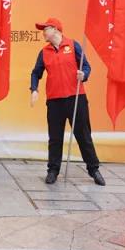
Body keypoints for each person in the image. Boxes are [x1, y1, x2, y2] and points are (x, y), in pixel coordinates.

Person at [30, 17, 105, 186]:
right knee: (55, 138)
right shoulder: (44, 52)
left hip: (76, 98)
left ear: (55, 30)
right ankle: (53, 170)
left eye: (46, 29)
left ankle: (94, 169)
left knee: (83, 135)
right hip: (55, 101)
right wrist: (34, 89)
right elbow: (36, 73)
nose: (43, 33)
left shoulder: (73, 45)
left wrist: (83, 75)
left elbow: (86, 66)